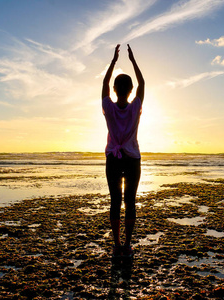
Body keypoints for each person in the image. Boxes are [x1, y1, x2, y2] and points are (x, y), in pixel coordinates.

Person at [102, 44, 144, 259]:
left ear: (115, 90)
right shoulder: (135, 106)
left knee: (115, 200)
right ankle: (127, 244)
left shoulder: (108, 107)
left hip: (113, 159)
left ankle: (117, 243)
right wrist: (133, 60)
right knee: (130, 200)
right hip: (132, 159)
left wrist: (113, 62)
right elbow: (143, 83)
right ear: (129, 90)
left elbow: (104, 84)